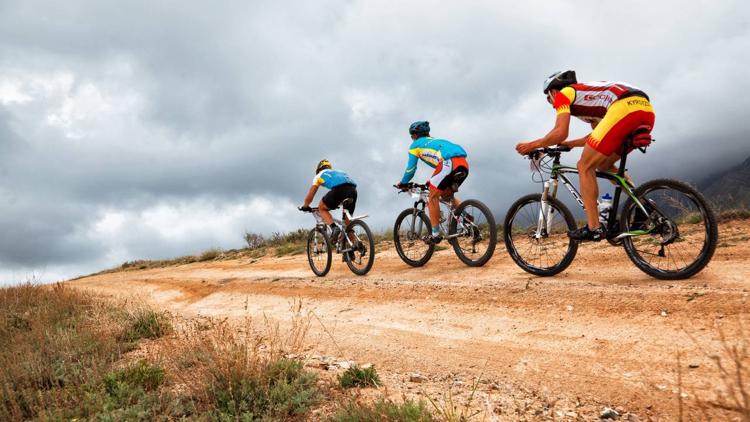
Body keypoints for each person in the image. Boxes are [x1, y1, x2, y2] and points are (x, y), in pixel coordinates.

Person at [515, 70, 655, 241]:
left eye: (548, 98)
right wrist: (571, 144)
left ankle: (594, 227)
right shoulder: (588, 102)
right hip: (645, 110)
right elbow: (601, 136)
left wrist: (532, 145)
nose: (551, 104)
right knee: (603, 164)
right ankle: (643, 205)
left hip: (624, 108)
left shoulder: (563, 94)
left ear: (553, 91)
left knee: (584, 165)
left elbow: (560, 132)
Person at [396, 121, 469, 244]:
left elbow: (411, 170)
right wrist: (432, 180)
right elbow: (440, 163)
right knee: (447, 195)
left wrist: (403, 183)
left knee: (432, 197)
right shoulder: (436, 141)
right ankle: (467, 219)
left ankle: (435, 234)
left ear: (414, 135)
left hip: (448, 163)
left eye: (411, 136)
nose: (412, 138)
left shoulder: (415, 146)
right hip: (463, 164)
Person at [300, 159, 357, 242]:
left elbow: (311, 194)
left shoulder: (319, 175)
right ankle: (352, 249)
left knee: (321, 207)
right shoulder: (339, 171)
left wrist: (305, 206)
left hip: (339, 189)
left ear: (319, 169)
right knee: (348, 225)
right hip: (353, 191)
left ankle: (334, 228)